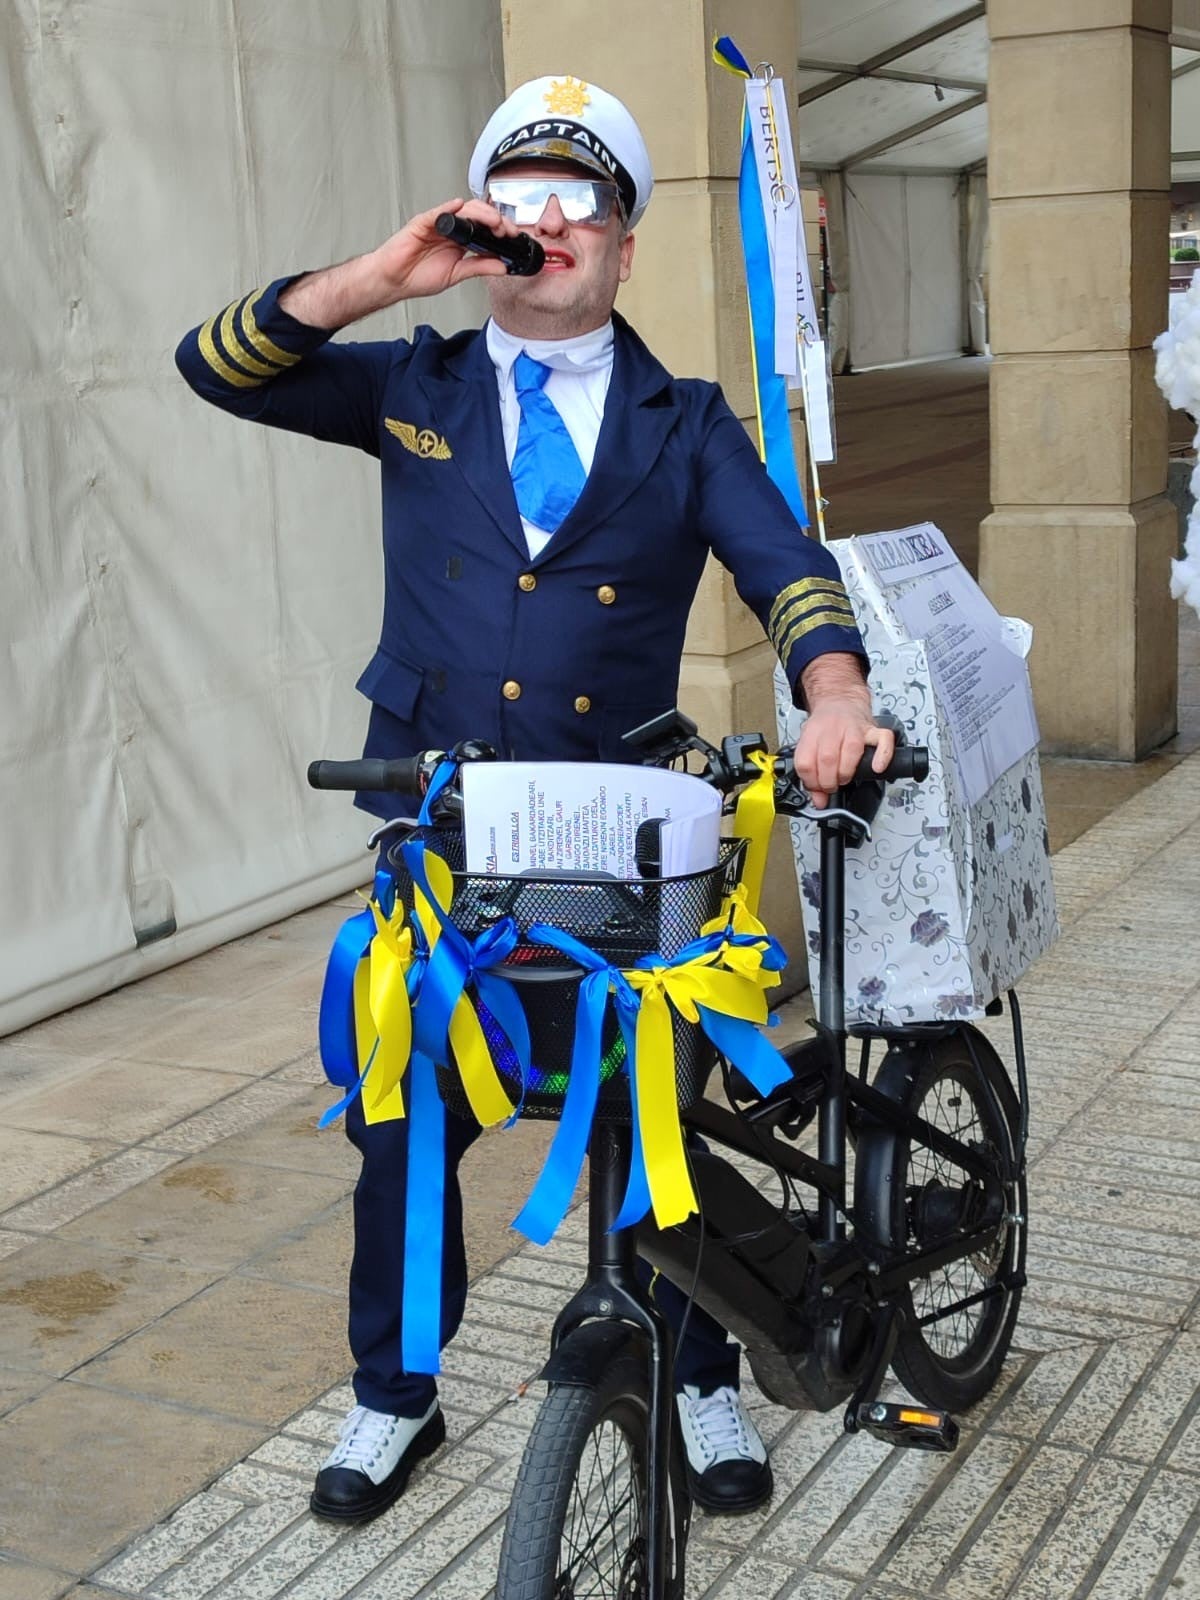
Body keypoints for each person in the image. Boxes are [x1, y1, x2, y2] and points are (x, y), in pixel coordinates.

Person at [176, 74, 894, 1526]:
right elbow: (217, 365)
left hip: (622, 851)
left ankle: (697, 1373)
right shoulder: (414, 385)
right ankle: (396, 1398)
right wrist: (388, 274)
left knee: (655, 1129)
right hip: (443, 841)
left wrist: (835, 695)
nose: (552, 226)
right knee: (406, 1126)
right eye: (526, 201)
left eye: (586, 204)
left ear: (626, 242)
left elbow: (789, 570)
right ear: (487, 225)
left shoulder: (683, 421)